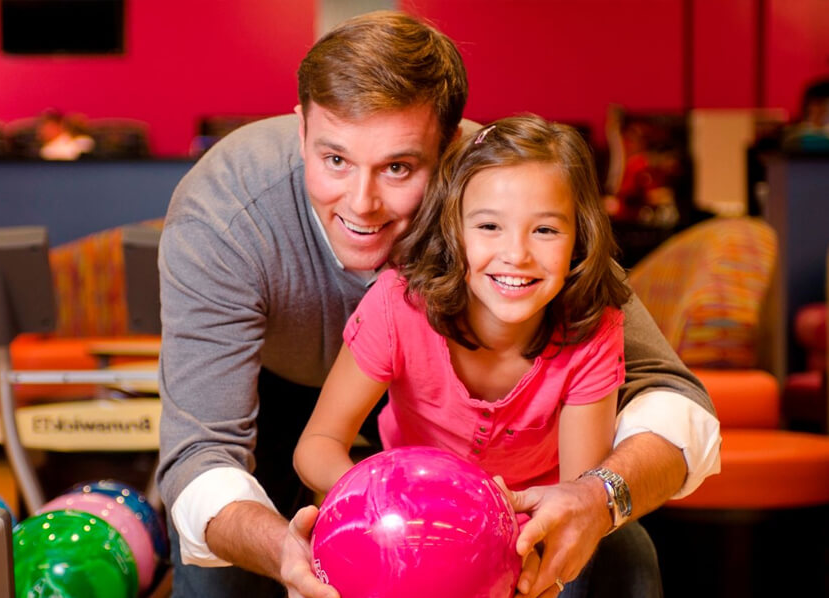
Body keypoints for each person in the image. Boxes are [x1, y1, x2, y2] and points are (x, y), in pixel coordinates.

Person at [156, 10, 721, 598]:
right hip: (274, 401)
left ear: (450, 149)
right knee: (218, 574)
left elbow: (670, 394)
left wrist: (597, 499)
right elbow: (202, 453)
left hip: (475, 462)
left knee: (622, 557)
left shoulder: (507, 194)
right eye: (334, 160)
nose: (363, 202)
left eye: (399, 167)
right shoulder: (224, 214)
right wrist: (334, 530)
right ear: (300, 131)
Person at [295, 115, 633, 595]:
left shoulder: (594, 331)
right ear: (454, 230)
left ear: (580, 236)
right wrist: (379, 504)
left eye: (545, 231)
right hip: (405, 526)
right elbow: (317, 444)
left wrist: (532, 561)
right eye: (490, 226)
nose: (516, 254)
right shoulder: (399, 305)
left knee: (629, 558)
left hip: (529, 532)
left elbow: (575, 498)